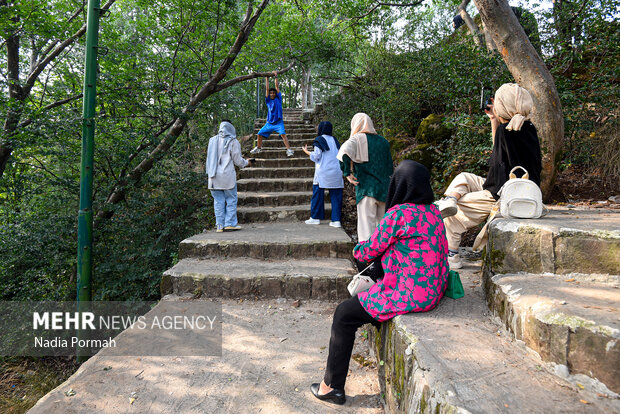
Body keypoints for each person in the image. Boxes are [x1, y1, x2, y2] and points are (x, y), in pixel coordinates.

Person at [310, 160, 449, 405]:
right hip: (434, 291)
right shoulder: (434, 213)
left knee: (344, 313)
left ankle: (331, 387)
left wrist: (356, 248)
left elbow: (367, 252)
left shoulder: (399, 214)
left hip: (410, 295)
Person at [436, 83, 542, 269]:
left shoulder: (506, 131)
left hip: (503, 193)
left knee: (454, 214)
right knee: (464, 177)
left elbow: (497, 164)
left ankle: (451, 255)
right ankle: (450, 199)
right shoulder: (528, 127)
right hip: (520, 186)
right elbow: (500, 150)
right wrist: (494, 118)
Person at [336, 113, 393, 242]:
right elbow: (389, 167)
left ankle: (367, 260)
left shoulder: (357, 139)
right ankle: (383, 259)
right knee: (383, 230)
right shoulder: (384, 141)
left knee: (366, 231)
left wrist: (347, 173)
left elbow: (343, 152)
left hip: (366, 190)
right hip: (385, 191)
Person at [206, 121, 254, 232]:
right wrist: (247, 163)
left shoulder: (212, 140)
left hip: (213, 176)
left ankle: (219, 225)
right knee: (231, 199)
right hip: (226, 176)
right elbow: (238, 161)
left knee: (218, 201)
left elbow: (209, 159)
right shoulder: (233, 141)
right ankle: (230, 223)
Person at [302, 121, 344, 228]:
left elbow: (316, 156)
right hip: (336, 171)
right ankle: (336, 220)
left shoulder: (319, 140)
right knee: (336, 196)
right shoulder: (335, 140)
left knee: (317, 194)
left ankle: (315, 218)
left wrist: (306, 151)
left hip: (323, 172)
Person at [250, 72, 294, 157]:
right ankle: (258, 148)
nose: (272, 94)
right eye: (271, 93)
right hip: (269, 123)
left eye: (274, 93)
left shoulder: (278, 99)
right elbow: (267, 89)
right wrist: (267, 78)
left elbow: (277, 86)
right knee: (259, 134)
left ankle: (289, 150)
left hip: (278, 122)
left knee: (283, 134)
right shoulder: (268, 101)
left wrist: (276, 76)